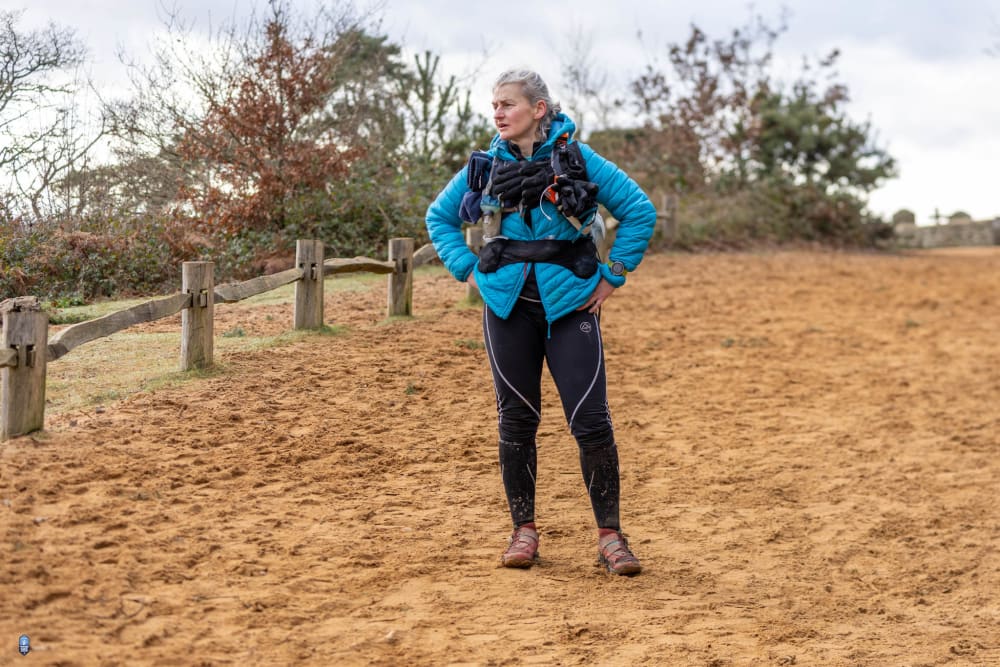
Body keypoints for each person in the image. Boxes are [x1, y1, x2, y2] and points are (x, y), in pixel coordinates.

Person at [425, 69, 656, 576]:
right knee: (516, 420)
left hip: (572, 305)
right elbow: (438, 218)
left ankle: (611, 538)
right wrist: (467, 269)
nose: (498, 113)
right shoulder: (484, 167)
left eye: (508, 104)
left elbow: (640, 210)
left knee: (591, 420)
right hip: (507, 309)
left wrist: (614, 274)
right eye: (494, 105)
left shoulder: (580, 160)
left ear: (539, 110)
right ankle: (523, 532)